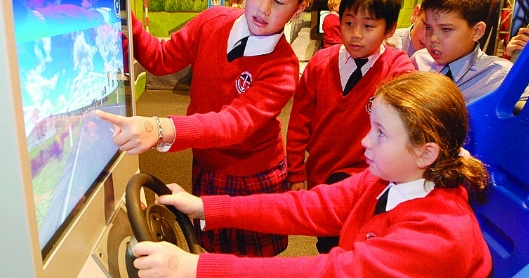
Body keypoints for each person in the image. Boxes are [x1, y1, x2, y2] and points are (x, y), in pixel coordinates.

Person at [130, 72, 493, 278]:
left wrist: (195, 267)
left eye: (381, 133)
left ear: (425, 152)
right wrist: (208, 208)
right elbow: (309, 208)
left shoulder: (439, 237)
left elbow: (328, 273)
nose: (365, 141)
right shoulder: (388, 178)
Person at [96, 0, 313, 257]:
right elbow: (161, 59)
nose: (263, 8)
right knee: (208, 251)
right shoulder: (212, 21)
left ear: (298, 9)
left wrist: (161, 128)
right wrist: (118, 3)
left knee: (253, 264)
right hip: (207, 165)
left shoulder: (283, 67)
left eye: (279, 2)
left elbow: (233, 124)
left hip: (254, 174)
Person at [285, 0, 415, 253]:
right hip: (322, 174)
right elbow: (298, 123)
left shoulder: (397, 68)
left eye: (368, 26)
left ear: (389, 29)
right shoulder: (320, 64)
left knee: (361, 247)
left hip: (368, 181)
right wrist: (296, 172)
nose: (356, 34)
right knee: (329, 245)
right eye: (349, 23)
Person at [411, 0, 529, 103]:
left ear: (477, 31)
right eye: (428, 27)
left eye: (446, 29)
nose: (433, 38)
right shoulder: (417, 62)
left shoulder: (500, 75)